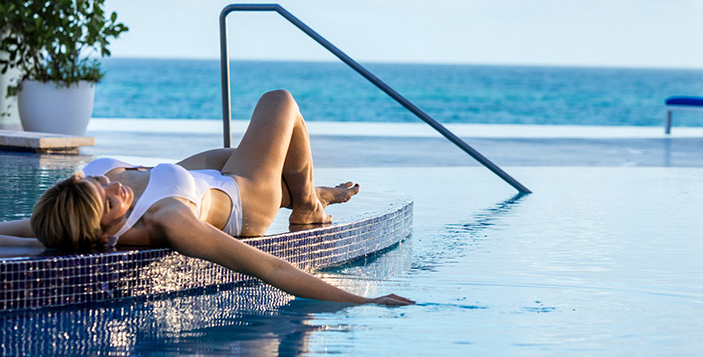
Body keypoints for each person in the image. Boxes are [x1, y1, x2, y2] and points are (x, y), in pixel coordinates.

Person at [0, 90, 413, 306]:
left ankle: (307, 191)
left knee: (254, 150)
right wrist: (363, 301)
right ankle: (306, 204)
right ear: (104, 234)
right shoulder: (167, 221)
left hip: (200, 175)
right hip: (245, 195)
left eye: (99, 186)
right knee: (280, 102)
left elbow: (17, 232)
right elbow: (267, 268)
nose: (113, 187)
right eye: (110, 204)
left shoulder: (66, 211)